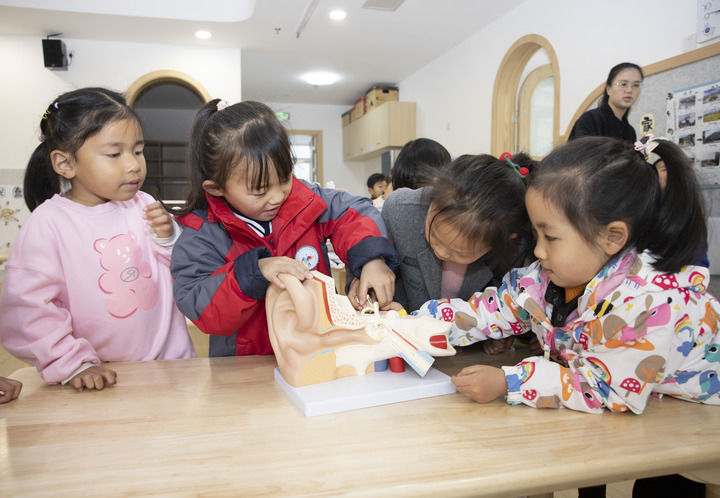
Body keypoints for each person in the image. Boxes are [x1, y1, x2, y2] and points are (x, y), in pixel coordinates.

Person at [415, 136, 717, 415]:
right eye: (536, 235)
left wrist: (510, 382)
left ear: (612, 237)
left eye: (550, 237)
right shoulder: (542, 278)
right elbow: (486, 312)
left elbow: (603, 389)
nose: (538, 250)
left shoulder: (648, 304)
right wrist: (414, 324)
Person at [0, 88, 195, 391]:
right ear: (65, 164)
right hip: (97, 377)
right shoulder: (49, 223)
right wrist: (72, 363)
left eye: (138, 151)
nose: (133, 165)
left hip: (170, 367)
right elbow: (27, 309)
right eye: (115, 154)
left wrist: (170, 238)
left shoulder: (144, 205)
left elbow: (182, 272)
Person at [170, 99, 400, 357]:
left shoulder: (306, 201)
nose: (278, 196)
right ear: (217, 188)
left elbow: (354, 213)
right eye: (259, 190)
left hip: (319, 354)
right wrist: (254, 272)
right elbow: (202, 308)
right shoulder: (202, 235)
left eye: (284, 178)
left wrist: (372, 260)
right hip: (247, 366)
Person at [383, 153, 536, 354]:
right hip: (397, 346)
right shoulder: (400, 211)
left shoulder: (514, 246)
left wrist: (496, 335)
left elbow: (500, 310)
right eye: (434, 234)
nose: (440, 251)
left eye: (459, 252)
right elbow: (375, 272)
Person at [568, 62, 644, 142]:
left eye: (636, 85)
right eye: (623, 84)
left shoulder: (630, 132)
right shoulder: (590, 120)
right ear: (608, 89)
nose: (629, 90)